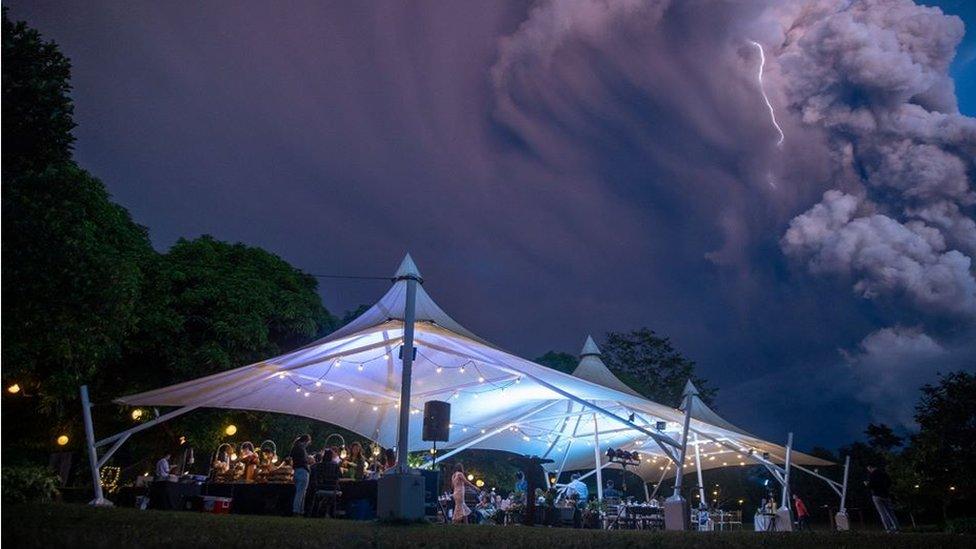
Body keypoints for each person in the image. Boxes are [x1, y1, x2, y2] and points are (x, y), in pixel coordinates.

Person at [866, 464, 899, 532]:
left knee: (882, 513)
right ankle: (896, 527)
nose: (868, 470)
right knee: (890, 512)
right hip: (885, 494)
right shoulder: (884, 474)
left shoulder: (872, 475)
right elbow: (889, 482)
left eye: (868, 469)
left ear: (870, 467)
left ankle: (888, 529)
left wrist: (867, 484)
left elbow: (871, 485)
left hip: (876, 495)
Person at [290, 434, 312, 516]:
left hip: (296, 471)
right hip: (303, 472)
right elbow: (304, 460)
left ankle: (300, 511)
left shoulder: (295, 447)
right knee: (301, 493)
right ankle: (296, 510)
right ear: (306, 441)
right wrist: (309, 460)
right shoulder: (302, 449)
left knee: (300, 492)